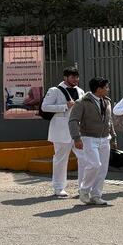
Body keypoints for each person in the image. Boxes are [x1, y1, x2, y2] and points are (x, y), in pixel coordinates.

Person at [67, 77, 117, 206]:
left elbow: (109, 120)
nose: (108, 89)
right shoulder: (82, 102)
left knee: (103, 169)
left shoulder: (107, 101)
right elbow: (73, 120)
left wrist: (113, 137)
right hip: (88, 138)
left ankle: (96, 195)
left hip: (105, 138)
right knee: (95, 165)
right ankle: (84, 190)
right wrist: (76, 138)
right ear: (99, 89)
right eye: (106, 87)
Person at [41, 67, 83, 199]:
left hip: (77, 130)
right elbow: (44, 107)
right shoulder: (54, 90)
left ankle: (83, 187)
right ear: (65, 77)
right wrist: (65, 106)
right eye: (72, 77)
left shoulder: (80, 91)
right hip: (61, 130)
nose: (76, 80)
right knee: (60, 159)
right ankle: (58, 187)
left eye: (77, 77)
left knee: (84, 158)